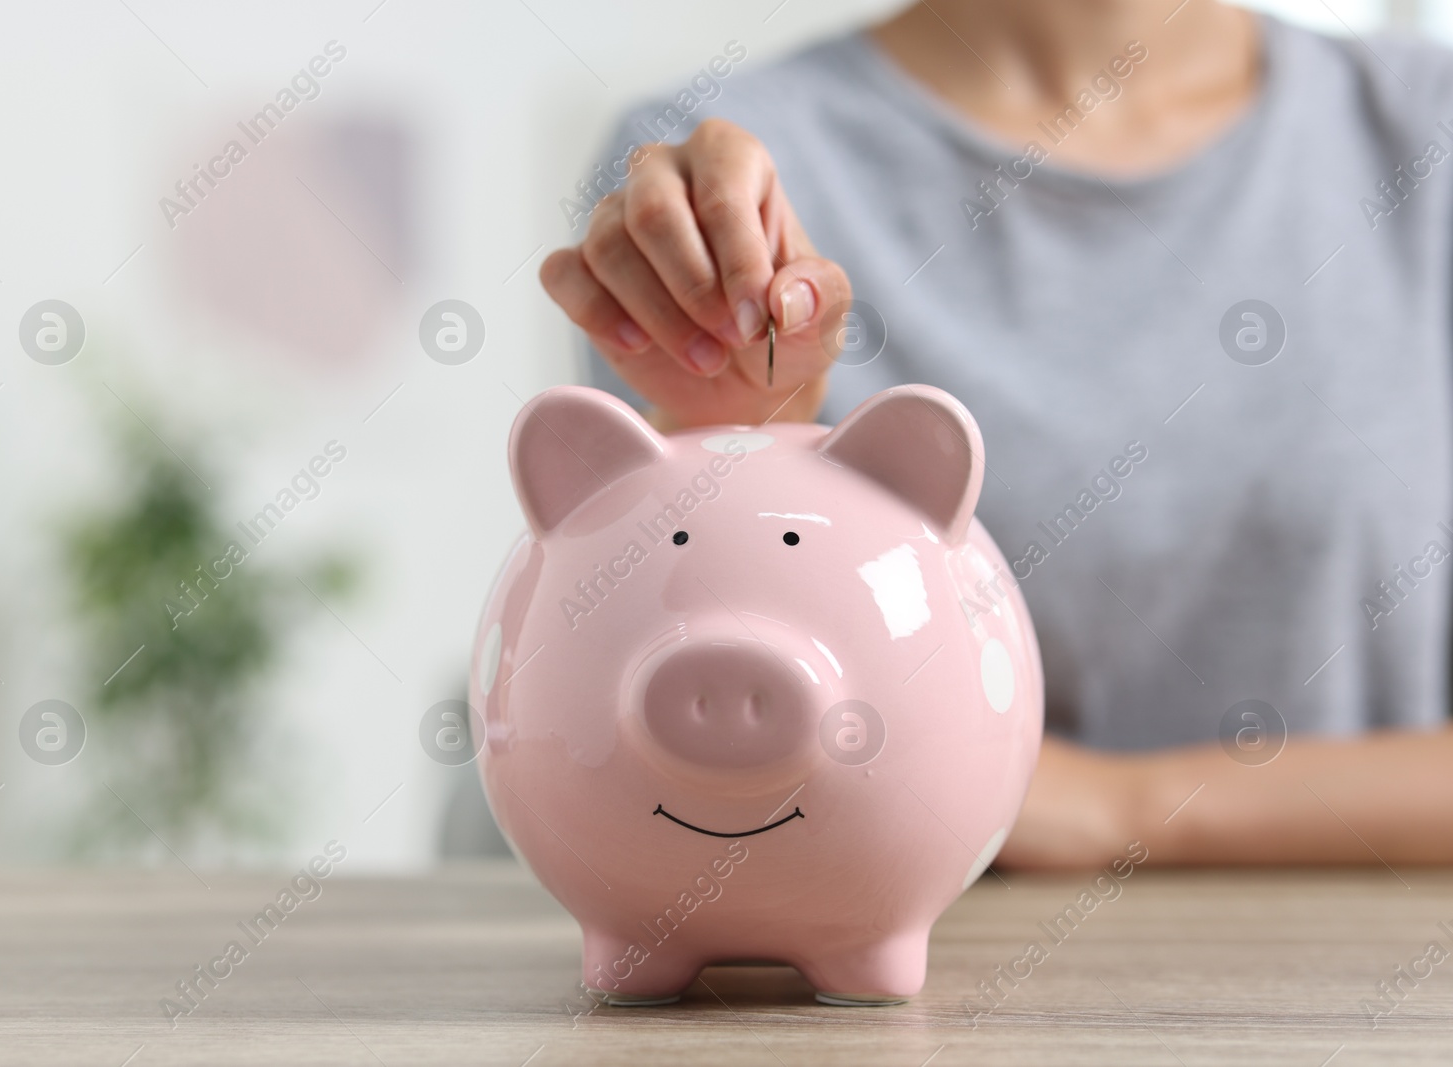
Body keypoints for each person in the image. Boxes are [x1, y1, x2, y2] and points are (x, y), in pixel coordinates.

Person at [539, 0, 1453, 869]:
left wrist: (1118, 809)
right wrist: (737, 445)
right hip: (888, 1003)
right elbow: (676, 757)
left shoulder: (1424, 133)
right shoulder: (730, 189)